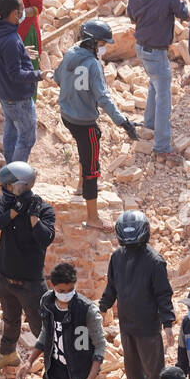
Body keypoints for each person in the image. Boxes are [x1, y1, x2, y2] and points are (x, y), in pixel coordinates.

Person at [55, 19, 141, 229]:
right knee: (92, 167)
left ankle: (79, 185)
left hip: (67, 116)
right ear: (93, 43)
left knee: (83, 151)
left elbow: (58, 77)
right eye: (102, 44)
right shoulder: (93, 65)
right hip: (85, 122)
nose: (103, 48)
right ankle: (92, 218)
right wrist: (124, 122)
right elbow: (103, 98)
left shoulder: (70, 53)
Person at [100, 210, 175, 379]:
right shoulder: (117, 258)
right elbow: (112, 286)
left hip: (148, 326)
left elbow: (164, 294)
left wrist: (168, 323)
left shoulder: (155, 261)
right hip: (126, 323)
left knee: (154, 369)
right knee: (131, 365)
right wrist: (102, 307)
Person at [0, 162, 55, 372]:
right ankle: (8, 355)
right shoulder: (6, 205)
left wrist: (34, 220)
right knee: (10, 321)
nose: (3, 189)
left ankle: (57, 366)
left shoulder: (43, 209)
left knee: (41, 327)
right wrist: (13, 214)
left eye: (7, 185)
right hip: (5, 279)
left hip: (31, 285)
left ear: (19, 186)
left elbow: (46, 238)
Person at [127, 0, 190, 158]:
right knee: (164, 98)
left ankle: (149, 124)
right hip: (157, 50)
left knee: (154, 85)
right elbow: (185, 14)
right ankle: (162, 146)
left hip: (141, 47)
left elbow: (130, 14)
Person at [0, 0, 43, 164]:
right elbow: (16, 74)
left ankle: (10, 170)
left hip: (4, 93)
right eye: (21, 10)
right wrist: (40, 75)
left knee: (11, 131)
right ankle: (18, 176)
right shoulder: (11, 39)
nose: (23, 13)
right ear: (14, 14)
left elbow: (3, 56)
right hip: (18, 97)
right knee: (27, 138)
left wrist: (21, 52)